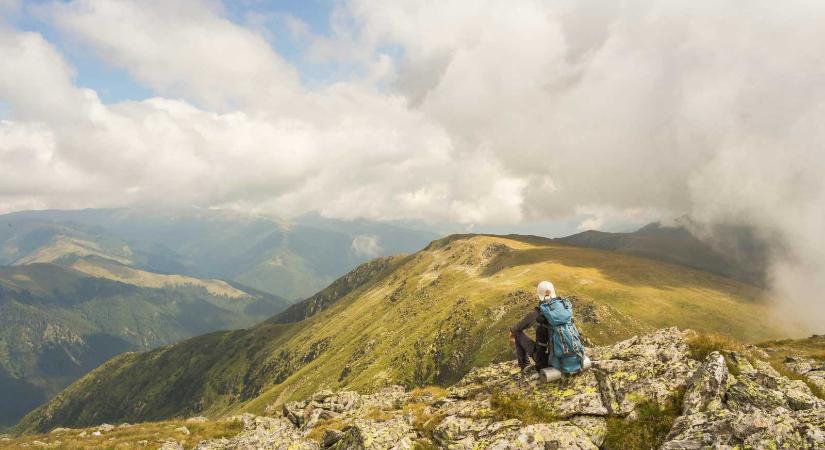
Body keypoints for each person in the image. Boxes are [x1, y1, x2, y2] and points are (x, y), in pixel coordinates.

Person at [508, 280, 556, 373]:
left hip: (545, 361)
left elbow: (517, 328)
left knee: (517, 333)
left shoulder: (537, 313)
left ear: (539, 295)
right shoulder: (565, 309)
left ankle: (525, 365)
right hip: (568, 356)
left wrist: (511, 335)